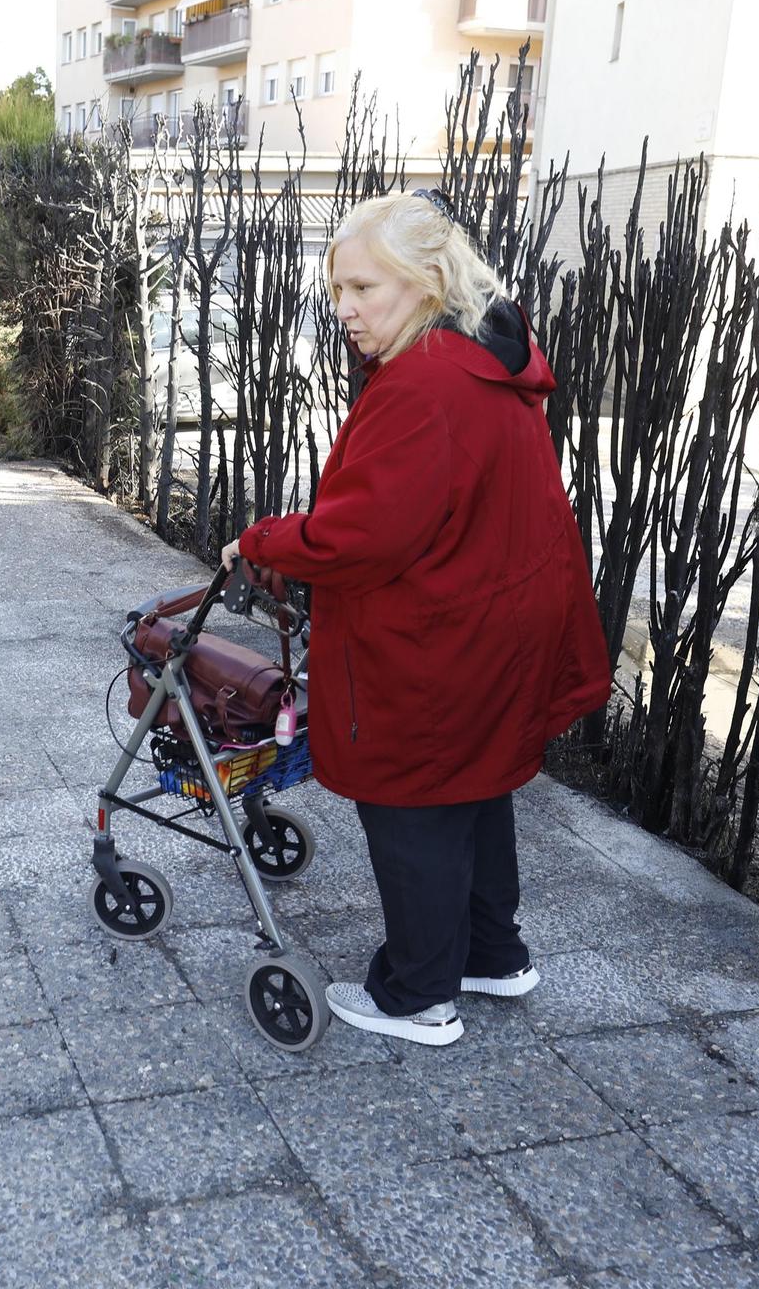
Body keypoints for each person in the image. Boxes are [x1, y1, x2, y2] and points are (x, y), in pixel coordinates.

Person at [222, 190, 609, 1047]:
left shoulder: (422, 381)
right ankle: (492, 954)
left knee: (413, 803)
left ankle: (417, 993)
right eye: (336, 293)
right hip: (497, 622)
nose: (346, 310)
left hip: (441, 636)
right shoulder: (481, 358)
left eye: (364, 287)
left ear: (427, 276)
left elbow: (362, 535)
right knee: (474, 788)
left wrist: (262, 540)